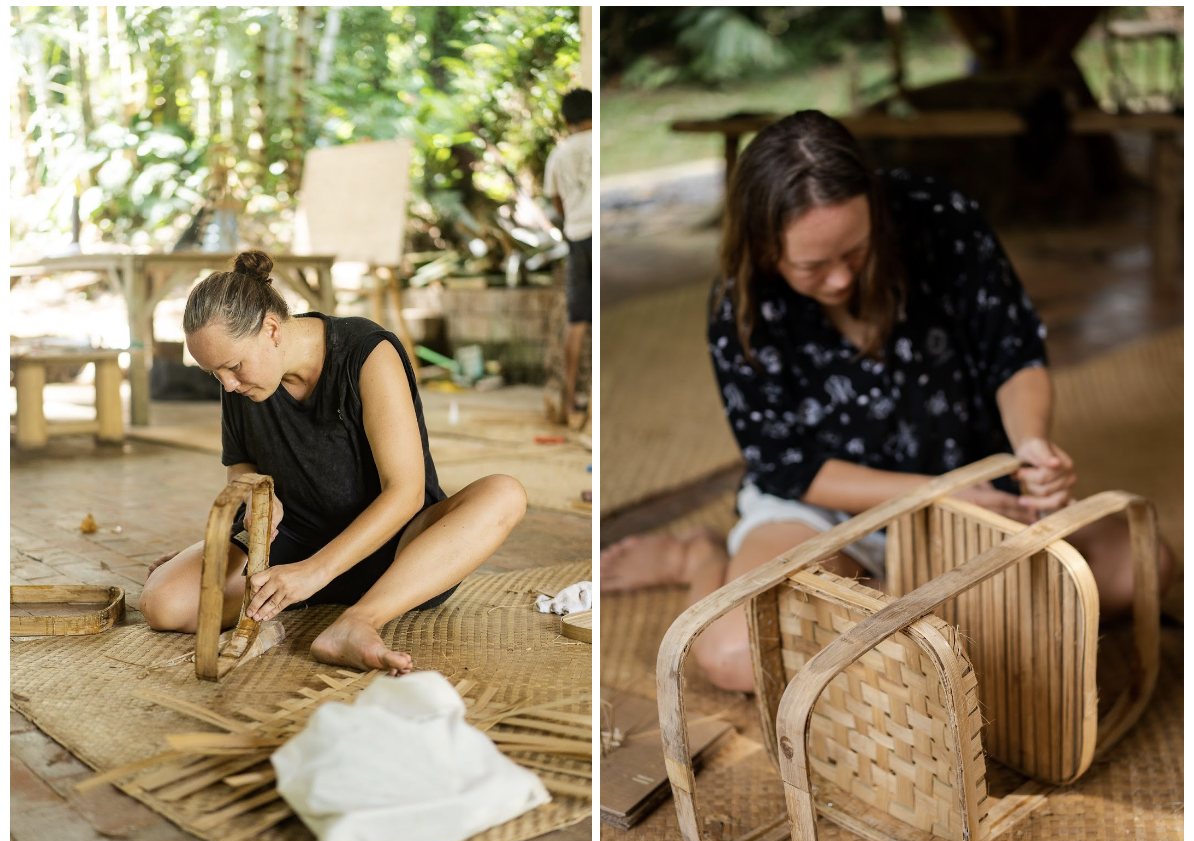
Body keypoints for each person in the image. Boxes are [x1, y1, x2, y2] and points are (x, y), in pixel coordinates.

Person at [601, 110, 1174, 693]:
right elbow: (786, 464)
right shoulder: (740, 305)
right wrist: (927, 494)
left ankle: (896, 613)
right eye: (813, 266)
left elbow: (1012, 350)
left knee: (1145, 568)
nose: (842, 280)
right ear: (765, 249)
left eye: (856, 250)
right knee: (732, 655)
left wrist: (1029, 445)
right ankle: (700, 557)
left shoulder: (933, 215)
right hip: (829, 515)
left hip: (975, 496)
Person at [140, 250, 527, 674]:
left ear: (271, 329)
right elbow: (242, 463)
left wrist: (315, 573)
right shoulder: (241, 382)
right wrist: (257, 498)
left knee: (504, 494)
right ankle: (309, 592)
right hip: (291, 547)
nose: (228, 385)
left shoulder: (367, 352)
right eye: (215, 374)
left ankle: (359, 621)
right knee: (164, 601)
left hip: (395, 548)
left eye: (233, 367)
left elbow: (406, 493)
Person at [544, 87, 593, 426]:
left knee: (577, 321)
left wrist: (571, 217)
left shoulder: (559, 155)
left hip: (577, 235)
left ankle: (569, 400)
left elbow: (556, 200)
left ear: (565, 120)